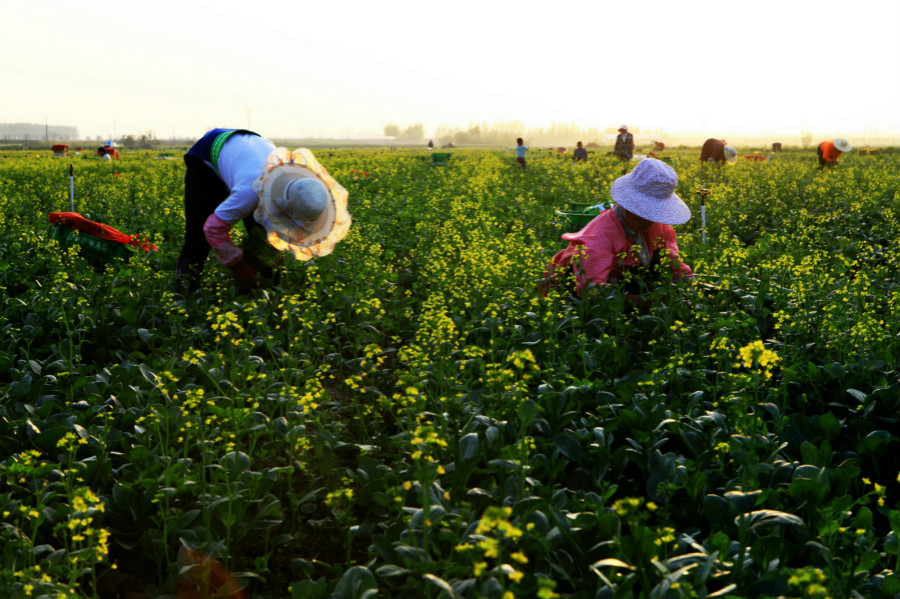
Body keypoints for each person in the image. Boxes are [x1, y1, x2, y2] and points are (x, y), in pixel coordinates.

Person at [174, 128, 351, 294]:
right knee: (197, 238)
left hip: (247, 149)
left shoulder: (306, 187)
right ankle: (183, 294)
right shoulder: (249, 192)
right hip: (208, 153)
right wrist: (237, 266)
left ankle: (269, 289)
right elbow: (212, 228)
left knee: (263, 237)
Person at [542, 159, 693, 307]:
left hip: (627, 285)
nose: (649, 220)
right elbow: (593, 293)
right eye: (643, 213)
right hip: (578, 289)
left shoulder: (660, 228)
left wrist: (691, 287)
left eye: (655, 213)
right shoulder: (600, 236)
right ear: (628, 206)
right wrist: (650, 301)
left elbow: (675, 267)